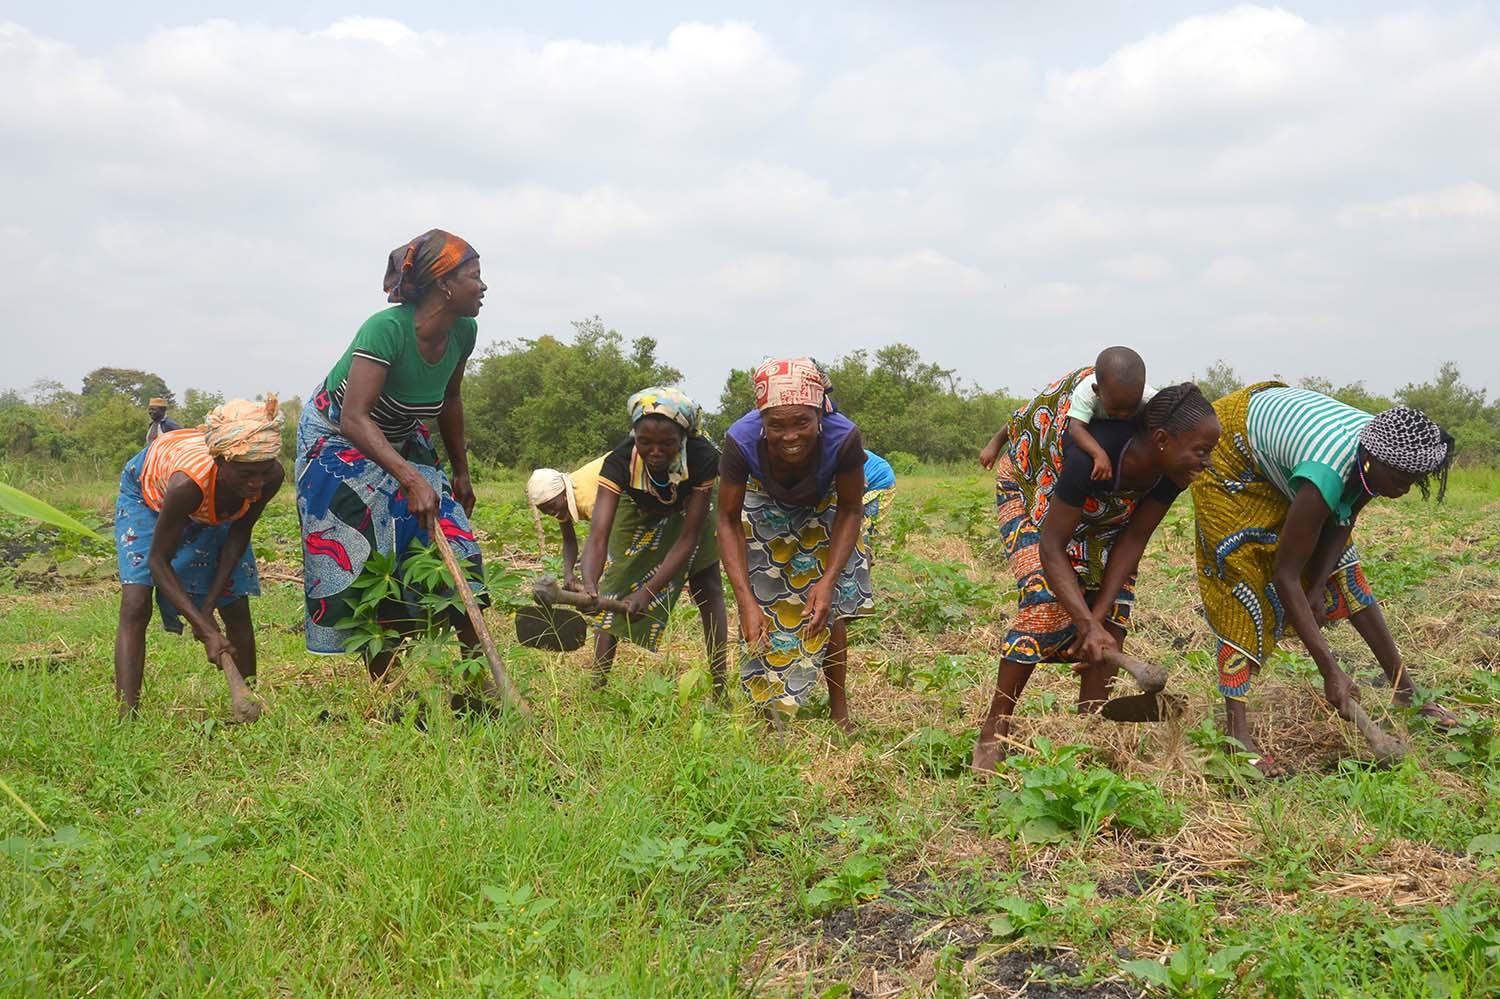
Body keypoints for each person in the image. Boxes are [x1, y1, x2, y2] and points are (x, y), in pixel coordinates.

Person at [1192, 384, 1458, 775]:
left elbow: (1343, 519)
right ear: (1372, 460)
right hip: (1231, 455)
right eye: (1400, 479)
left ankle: (1406, 691)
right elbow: (1286, 576)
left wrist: (1316, 587)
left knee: (1346, 575)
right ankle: (1236, 733)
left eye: (1413, 480)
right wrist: (1330, 671)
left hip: (1287, 455)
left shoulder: (1379, 450)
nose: (1403, 489)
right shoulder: (1329, 470)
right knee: (1242, 577)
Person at [973, 374, 1220, 771]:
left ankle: (1089, 729)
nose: (1206, 463)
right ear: (1161, 441)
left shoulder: (1175, 471)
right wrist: (1083, 623)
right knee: (1045, 602)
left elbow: (1135, 536)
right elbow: (1051, 546)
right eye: (1202, 451)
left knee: (1115, 616)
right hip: (1033, 491)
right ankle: (994, 729)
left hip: (1107, 516)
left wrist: (1097, 619)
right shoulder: (1087, 455)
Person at [295, 229, 491, 685]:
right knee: (364, 555)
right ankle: (391, 689)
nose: (483, 287)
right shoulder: (385, 330)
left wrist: (459, 473)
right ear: (445, 283)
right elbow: (354, 418)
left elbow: (452, 399)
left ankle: (477, 683)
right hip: (337, 440)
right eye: (475, 277)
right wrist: (410, 479)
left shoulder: (465, 330)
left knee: (457, 545)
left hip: (402, 434)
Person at [716, 357, 872, 731]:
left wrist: (828, 579)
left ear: (819, 415)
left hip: (828, 503)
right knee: (758, 606)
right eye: (776, 426)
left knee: (825, 610)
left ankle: (839, 711)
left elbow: (851, 508)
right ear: (762, 422)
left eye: (802, 423)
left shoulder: (843, 437)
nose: (790, 436)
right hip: (764, 502)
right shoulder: (740, 440)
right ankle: (764, 713)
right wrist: (746, 601)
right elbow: (726, 519)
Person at [114, 397, 284, 720]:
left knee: (235, 603)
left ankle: (248, 702)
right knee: (136, 601)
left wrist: (208, 606)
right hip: (147, 494)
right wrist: (205, 629)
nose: (256, 483)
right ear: (220, 463)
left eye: (262, 472)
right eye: (247, 474)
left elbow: (238, 535)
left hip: (215, 500)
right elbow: (158, 562)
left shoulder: (269, 477)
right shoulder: (185, 486)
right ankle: (126, 715)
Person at [577, 388, 728, 691]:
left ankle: (720, 685)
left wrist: (648, 591)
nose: (655, 451)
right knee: (613, 583)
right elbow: (598, 535)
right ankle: (598, 684)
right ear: (635, 437)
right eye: (645, 443)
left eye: (667, 443)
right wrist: (590, 586)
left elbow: (688, 538)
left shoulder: (702, 457)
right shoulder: (619, 462)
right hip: (638, 507)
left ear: (682, 439)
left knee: (707, 584)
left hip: (690, 511)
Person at [978, 347, 1157, 479]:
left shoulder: (1148, 397)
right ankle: (997, 440)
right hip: (1066, 398)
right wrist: (1098, 454)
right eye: (1116, 410)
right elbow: (1076, 429)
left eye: (1130, 409)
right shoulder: (1086, 393)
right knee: (1034, 414)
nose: (1123, 415)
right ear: (1098, 391)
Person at [526, 455, 606, 589]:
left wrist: (590, 582)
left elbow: (600, 541)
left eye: (552, 505)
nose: (551, 512)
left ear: (564, 494)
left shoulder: (588, 500)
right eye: (544, 510)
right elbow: (569, 540)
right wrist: (568, 573)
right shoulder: (560, 502)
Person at [862, 449, 897, 558]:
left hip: (881, 483)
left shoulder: (843, 452)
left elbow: (860, 486)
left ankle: (864, 560)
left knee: (864, 525)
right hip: (868, 480)